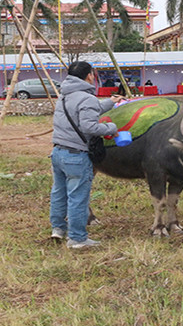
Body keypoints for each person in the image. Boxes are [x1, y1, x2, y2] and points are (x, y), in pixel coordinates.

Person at [50, 61, 123, 249]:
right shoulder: (87, 98)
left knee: (59, 193)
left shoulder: (64, 95)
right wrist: (112, 128)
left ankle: (58, 229)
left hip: (58, 152)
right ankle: (77, 239)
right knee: (77, 197)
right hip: (76, 155)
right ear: (89, 75)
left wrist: (111, 102)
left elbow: (86, 110)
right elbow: (89, 126)